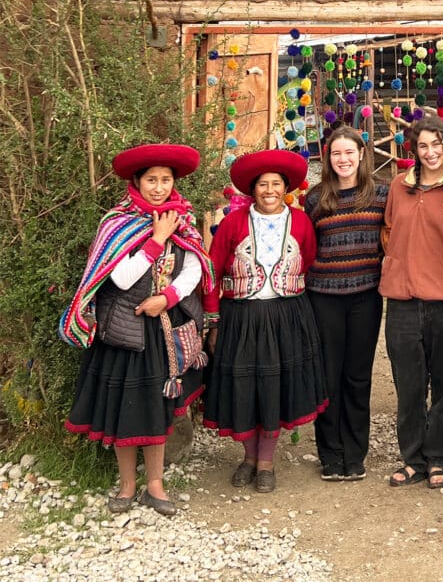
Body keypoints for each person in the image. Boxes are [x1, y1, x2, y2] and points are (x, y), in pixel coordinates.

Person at [64, 144, 214, 516]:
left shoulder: (185, 219)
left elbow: (194, 268)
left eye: (165, 180)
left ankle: (155, 485)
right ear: (137, 182)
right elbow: (120, 275)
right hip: (123, 334)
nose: (159, 187)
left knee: (156, 407)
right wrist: (158, 238)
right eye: (151, 180)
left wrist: (168, 297)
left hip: (163, 331)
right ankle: (127, 486)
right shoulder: (117, 223)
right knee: (125, 408)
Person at [203, 149, 327, 494]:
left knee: (275, 385)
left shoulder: (301, 222)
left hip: (285, 314)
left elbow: (308, 259)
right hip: (241, 317)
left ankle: (267, 462)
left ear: (285, 187)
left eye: (275, 184)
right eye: (262, 184)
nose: (269, 190)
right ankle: (248, 457)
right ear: (252, 190)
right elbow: (212, 270)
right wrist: (213, 321)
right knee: (244, 386)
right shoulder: (232, 223)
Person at [379, 115, 443, 489]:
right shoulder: (400, 186)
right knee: (409, 386)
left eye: (436, 144)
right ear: (413, 150)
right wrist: (397, 263)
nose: (430, 152)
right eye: (422, 146)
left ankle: (439, 460)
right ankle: (412, 459)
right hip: (400, 299)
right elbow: (387, 231)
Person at [304, 127, 389, 482]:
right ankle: (330, 454)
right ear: (328, 158)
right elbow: (304, 245)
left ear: (361, 154)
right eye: (336, 153)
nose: (343, 159)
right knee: (328, 375)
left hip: (365, 297)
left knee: (357, 376)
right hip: (324, 297)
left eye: (349, 152)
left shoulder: (381, 194)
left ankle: (355, 453)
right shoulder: (315, 198)